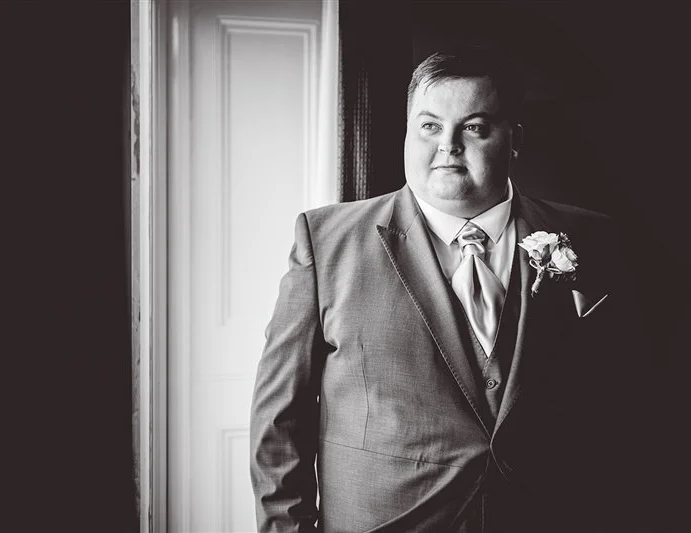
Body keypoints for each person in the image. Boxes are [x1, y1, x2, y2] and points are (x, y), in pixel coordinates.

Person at [250, 45, 644, 533]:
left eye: (474, 127)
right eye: (430, 126)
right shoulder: (326, 242)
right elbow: (279, 419)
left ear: (514, 139)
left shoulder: (592, 237)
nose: (448, 145)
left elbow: (626, 397)